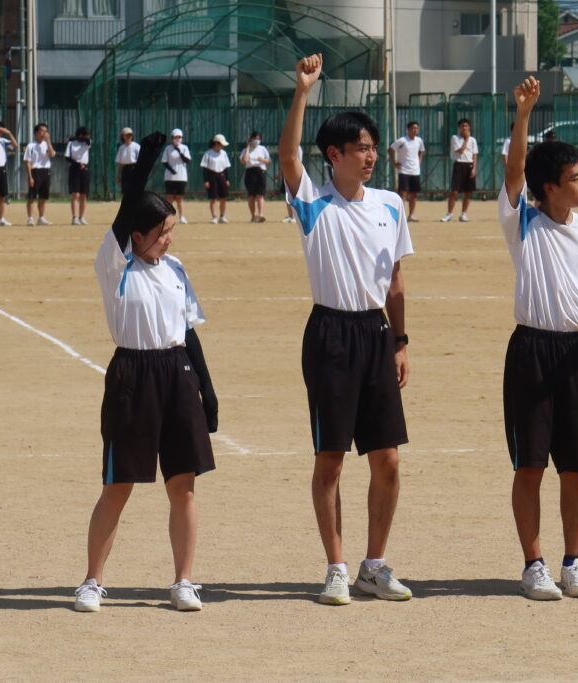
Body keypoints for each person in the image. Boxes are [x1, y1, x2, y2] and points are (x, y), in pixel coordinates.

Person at [280, 53, 414, 606]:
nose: (371, 155)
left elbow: (396, 280)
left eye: (373, 146)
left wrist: (400, 341)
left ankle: (373, 566)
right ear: (334, 154)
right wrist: (302, 92)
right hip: (330, 335)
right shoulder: (313, 202)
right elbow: (289, 155)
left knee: (388, 459)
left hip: (376, 335)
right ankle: (335, 567)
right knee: (331, 457)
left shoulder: (390, 205)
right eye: (361, 147)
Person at [75, 131, 217, 614]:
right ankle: (92, 581)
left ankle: (183, 581)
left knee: (183, 484)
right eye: (161, 231)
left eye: (171, 229)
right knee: (118, 485)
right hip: (132, 376)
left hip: (177, 373)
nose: (168, 238)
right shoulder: (115, 264)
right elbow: (125, 209)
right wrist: (147, 161)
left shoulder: (175, 268)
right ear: (136, 235)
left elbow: (188, 332)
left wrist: (207, 389)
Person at [501, 76, 578, 601]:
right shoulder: (523, 224)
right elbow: (514, 172)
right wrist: (523, 114)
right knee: (530, 465)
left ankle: (574, 562)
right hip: (531, 351)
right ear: (549, 187)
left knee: (575, 468)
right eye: (574, 178)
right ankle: (534, 565)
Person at [441, 119, 478, 222]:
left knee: (468, 192)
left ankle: (463, 214)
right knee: (454, 191)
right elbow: (461, 150)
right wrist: (467, 139)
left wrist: (474, 168)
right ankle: (449, 214)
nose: (464, 128)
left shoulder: (473, 140)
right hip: (459, 165)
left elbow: (474, 155)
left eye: (466, 126)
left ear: (469, 127)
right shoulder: (455, 138)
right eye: (462, 126)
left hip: (469, 165)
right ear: (459, 128)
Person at [387, 121, 424, 222]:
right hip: (404, 170)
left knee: (414, 194)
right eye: (413, 128)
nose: (415, 130)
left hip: (415, 171)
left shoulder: (419, 141)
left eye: (416, 128)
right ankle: (400, 215)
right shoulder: (402, 140)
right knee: (402, 193)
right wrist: (394, 162)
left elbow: (421, 151)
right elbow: (390, 149)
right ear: (408, 129)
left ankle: (411, 215)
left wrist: (419, 161)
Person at [25, 123, 56, 227]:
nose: (44, 133)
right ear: (36, 132)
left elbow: (52, 154)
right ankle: (30, 218)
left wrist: (48, 141)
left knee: (43, 197)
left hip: (46, 171)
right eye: (42, 131)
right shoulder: (30, 146)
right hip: (35, 171)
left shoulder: (47, 144)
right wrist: (30, 176)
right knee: (32, 196)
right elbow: (28, 162)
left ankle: (41, 218)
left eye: (46, 131)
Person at [161, 128, 191, 224]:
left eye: (179, 137)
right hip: (169, 177)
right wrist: (171, 170)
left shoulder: (184, 148)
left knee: (179, 198)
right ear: (172, 138)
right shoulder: (168, 148)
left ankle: (182, 216)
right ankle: (167, 216)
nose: (177, 139)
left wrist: (179, 151)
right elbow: (164, 161)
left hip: (181, 177)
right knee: (169, 197)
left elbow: (187, 160)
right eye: (175, 137)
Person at [240, 131, 271, 222]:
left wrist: (262, 160)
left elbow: (268, 161)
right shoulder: (245, 150)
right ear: (251, 139)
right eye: (255, 138)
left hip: (261, 171)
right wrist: (247, 147)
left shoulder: (263, 149)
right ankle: (253, 215)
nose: (256, 140)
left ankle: (261, 214)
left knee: (260, 194)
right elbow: (244, 160)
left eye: (258, 139)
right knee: (251, 195)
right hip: (250, 172)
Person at [200, 134, 231, 224]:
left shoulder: (224, 153)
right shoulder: (208, 153)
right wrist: (206, 180)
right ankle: (214, 216)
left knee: (223, 197)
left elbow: (226, 167)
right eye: (221, 144)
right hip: (212, 176)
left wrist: (227, 179)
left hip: (222, 176)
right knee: (213, 198)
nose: (222, 146)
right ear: (216, 143)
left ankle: (222, 216)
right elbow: (205, 168)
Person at [66, 126, 91, 225]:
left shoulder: (87, 143)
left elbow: (88, 141)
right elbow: (67, 157)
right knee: (75, 194)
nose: (87, 136)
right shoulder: (71, 143)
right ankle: (74, 217)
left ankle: (81, 217)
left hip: (85, 169)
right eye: (85, 134)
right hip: (75, 169)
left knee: (84, 195)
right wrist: (77, 164)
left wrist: (73, 137)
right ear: (80, 134)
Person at [115, 127, 140, 195]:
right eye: (126, 135)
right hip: (125, 169)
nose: (129, 136)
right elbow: (120, 163)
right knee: (125, 190)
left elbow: (140, 161)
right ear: (123, 136)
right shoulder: (121, 148)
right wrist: (118, 176)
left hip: (134, 168)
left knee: (134, 189)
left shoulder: (136, 146)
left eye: (130, 135)